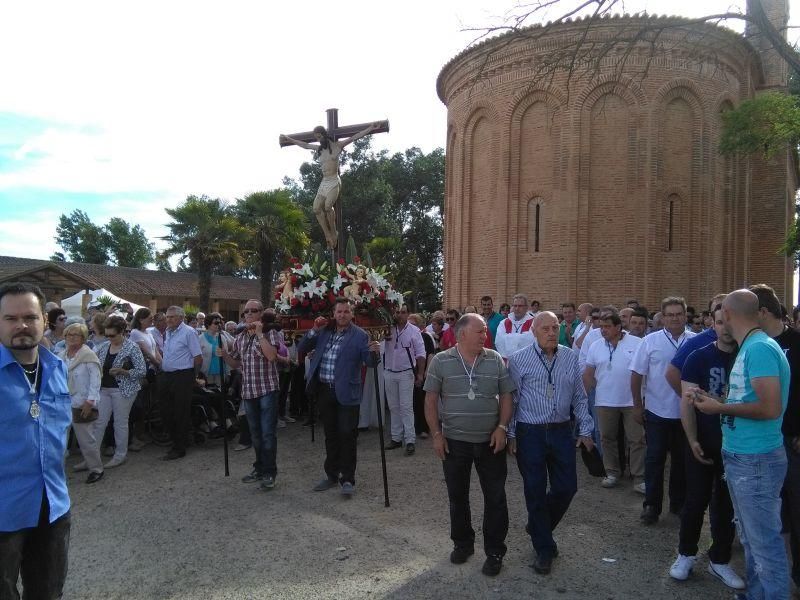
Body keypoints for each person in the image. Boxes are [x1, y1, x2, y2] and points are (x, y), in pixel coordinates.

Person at [693, 289, 790, 599]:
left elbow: (770, 407)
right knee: (751, 539)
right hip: (744, 456)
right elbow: (747, 400)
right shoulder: (751, 346)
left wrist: (719, 408)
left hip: (756, 459)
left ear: (731, 315)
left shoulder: (759, 349)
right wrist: (717, 400)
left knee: (764, 544)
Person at [424, 313, 514, 577]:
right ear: (462, 334)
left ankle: (495, 551)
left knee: (496, 498)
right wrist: (437, 435)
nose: (486, 336)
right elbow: (430, 401)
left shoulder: (494, 359)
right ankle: (463, 544)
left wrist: (502, 428)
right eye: (481, 332)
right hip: (455, 443)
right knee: (457, 497)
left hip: (490, 442)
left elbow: (507, 395)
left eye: (485, 331)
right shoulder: (441, 361)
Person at [506, 311, 594, 575]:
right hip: (530, 431)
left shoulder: (569, 356)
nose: (552, 333)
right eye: (546, 328)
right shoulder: (519, 360)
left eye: (555, 327)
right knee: (534, 488)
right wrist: (511, 434)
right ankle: (544, 547)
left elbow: (580, 396)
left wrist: (586, 428)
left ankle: (537, 526)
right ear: (534, 331)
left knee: (567, 487)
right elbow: (513, 399)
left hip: (560, 430)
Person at [0, 283, 71, 599]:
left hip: (53, 506)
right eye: (10, 318)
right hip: (4, 511)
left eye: (29, 317)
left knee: (47, 592)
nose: (21, 326)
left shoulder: (57, 368)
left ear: (44, 319)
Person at [668, 304, 744, 590]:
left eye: (730, 322)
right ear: (712, 323)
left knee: (726, 505)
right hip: (703, 441)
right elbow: (687, 403)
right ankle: (686, 553)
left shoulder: (746, 356)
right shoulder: (698, 357)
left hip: (737, 445)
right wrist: (692, 439)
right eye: (720, 322)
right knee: (695, 500)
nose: (725, 327)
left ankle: (720, 559)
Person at [299, 298, 380, 496]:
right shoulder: (325, 331)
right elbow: (302, 347)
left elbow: (369, 362)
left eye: (346, 311)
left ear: (352, 314)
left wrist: (374, 353)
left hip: (347, 393)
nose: (342, 315)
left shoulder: (360, 335)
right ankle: (331, 475)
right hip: (325, 390)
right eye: (339, 312)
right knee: (331, 435)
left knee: (347, 435)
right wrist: (314, 329)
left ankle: (348, 479)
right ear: (334, 314)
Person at [748, 283, 800, 590]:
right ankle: (770, 577)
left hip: (792, 441)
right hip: (760, 442)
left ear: (763, 312)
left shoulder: (796, 342)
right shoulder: (752, 345)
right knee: (767, 513)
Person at [630, 297, 695, 525]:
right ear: (662, 317)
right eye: (670, 314)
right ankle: (651, 505)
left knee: (681, 461)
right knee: (654, 459)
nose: (675, 318)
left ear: (686, 316)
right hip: (657, 411)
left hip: (687, 414)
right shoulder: (650, 342)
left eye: (679, 314)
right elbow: (637, 374)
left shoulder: (696, 341)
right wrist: (637, 405)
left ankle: (677, 503)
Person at [219, 302, 288, 490]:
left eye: (253, 311)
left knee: (267, 434)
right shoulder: (240, 337)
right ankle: (259, 468)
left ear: (261, 313)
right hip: (248, 392)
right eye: (246, 311)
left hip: (267, 390)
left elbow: (272, 356)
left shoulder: (269, 332)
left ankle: (269, 472)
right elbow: (235, 364)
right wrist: (224, 355)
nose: (248, 314)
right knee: (255, 434)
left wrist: (259, 334)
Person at [280, 122, 382, 249]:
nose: (318, 140)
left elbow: (354, 137)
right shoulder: (319, 149)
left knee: (328, 206)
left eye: (319, 137)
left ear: (324, 135)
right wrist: (289, 139)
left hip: (334, 180)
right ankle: (328, 235)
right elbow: (305, 145)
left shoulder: (337, 145)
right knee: (316, 208)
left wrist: (371, 128)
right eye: (316, 138)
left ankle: (334, 233)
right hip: (324, 181)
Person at [582, 312, 644, 491]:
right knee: (606, 438)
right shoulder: (595, 346)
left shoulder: (637, 343)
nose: (603, 330)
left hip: (631, 400)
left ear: (619, 327)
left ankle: (639, 477)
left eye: (608, 326)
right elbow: (588, 373)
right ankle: (612, 472)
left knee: (637, 439)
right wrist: (594, 390)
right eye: (601, 327)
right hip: (604, 401)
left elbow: (644, 371)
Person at [93, 315, 147, 468]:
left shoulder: (132, 347)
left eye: (112, 335)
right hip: (104, 389)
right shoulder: (104, 347)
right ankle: (92, 456)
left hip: (123, 390)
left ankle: (120, 455)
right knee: (99, 423)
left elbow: (142, 371)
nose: (109, 338)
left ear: (122, 332)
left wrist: (124, 372)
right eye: (107, 335)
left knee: (120, 423)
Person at [60, 321, 104, 484]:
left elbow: (95, 381)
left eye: (76, 334)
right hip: (63, 404)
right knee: (60, 441)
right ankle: (59, 474)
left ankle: (96, 469)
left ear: (84, 338)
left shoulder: (89, 356)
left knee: (86, 440)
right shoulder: (61, 356)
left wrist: (90, 401)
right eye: (68, 334)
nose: (71, 337)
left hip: (82, 403)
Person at [158, 306, 202, 460]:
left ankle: (179, 447)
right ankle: (179, 440)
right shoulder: (168, 332)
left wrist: (193, 377)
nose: (168, 320)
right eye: (167, 317)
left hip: (183, 376)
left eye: (172, 317)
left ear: (181, 318)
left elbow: (198, 358)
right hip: (168, 375)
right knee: (165, 410)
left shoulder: (189, 332)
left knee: (180, 412)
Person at [383, 304, 427, 456]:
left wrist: (420, 374)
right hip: (389, 371)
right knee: (393, 406)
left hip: (406, 372)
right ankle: (396, 438)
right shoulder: (387, 329)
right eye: (397, 312)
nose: (399, 315)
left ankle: (410, 440)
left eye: (403, 312)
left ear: (407, 314)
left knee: (406, 407)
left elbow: (421, 354)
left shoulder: (414, 331)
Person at [408, 313, 435, 438]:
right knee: (411, 401)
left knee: (422, 400)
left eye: (413, 324)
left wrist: (425, 372)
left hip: (422, 371)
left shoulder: (426, 337)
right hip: (409, 371)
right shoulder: (406, 337)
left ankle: (424, 428)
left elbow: (430, 354)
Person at [494, 294, 535, 359]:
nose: (517, 308)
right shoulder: (504, 322)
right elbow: (499, 342)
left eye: (520, 306)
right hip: (507, 361)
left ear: (526, 307)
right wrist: (522, 338)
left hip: (527, 361)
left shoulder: (534, 323)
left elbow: (531, 342)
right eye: (515, 306)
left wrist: (508, 338)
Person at [198, 312, 232, 386]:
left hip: (221, 373)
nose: (218, 325)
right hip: (206, 374)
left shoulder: (222, 338)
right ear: (208, 324)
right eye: (216, 323)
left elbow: (226, 357)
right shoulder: (200, 339)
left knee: (219, 395)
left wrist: (228, 372)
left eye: (219, 322)